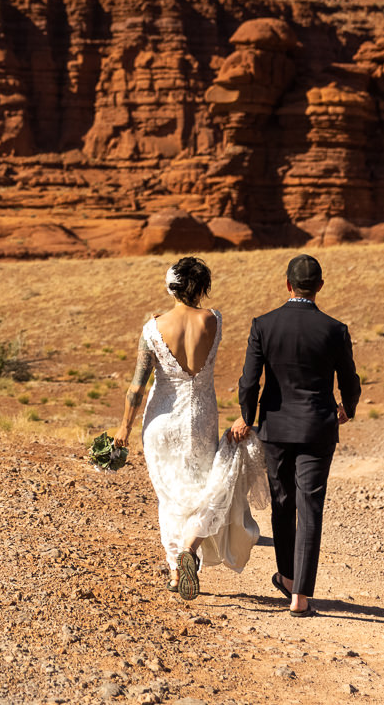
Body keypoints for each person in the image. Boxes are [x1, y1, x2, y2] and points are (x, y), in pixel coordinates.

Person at [111, 255, 266, 601]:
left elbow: (137, 387)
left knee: (169, 496)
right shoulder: (214, 320)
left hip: (160, 422)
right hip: (200, 417)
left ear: (171, 287)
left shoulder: (152, 328)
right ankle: (189, 550)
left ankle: (173, 567)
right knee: (208, 487)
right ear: (202, 287)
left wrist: (123, 429)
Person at [231, 252, 361, 617]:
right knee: (311, 508)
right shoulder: (335, 330)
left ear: (287, 284)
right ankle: (299, 597)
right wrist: (347, 408)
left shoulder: (264, 324)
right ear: (320, 286)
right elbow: (350, 380)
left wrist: (249, 417)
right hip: (319, 427)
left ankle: (287, 577)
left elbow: (248, 381)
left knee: (283, 504)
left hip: (276, 428)